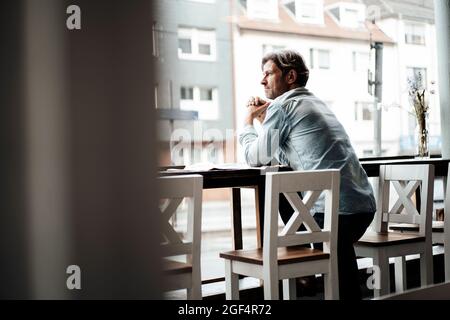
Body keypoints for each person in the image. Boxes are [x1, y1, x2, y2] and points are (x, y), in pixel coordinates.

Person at [239, 50, 376, 300]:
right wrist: (265, 120)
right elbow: (287, 154)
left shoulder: (283, 106)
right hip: (362, 207)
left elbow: (255, 157)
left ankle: (303, 266)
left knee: (285, 196)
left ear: (290, 76)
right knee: (335, 248)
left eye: (268, 73)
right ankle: (309, 267)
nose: (262, 81)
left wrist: (248, 121)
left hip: (336, 212)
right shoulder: (314, 102)